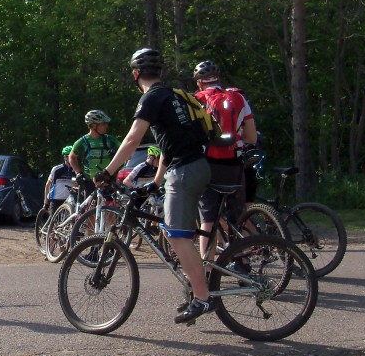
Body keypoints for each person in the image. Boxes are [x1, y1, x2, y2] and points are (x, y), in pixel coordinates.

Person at [92, 49, 214, 325]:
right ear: (161, 72)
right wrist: (156, 182)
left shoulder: (151, 98)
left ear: (136, 74)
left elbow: (134, 138)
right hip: (194, 167)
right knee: (179, 231)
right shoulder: (173, 96)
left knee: (176, 236)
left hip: (185, 172)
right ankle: (196, 286)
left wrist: (108, 172)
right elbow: (169, 145)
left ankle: (203, 297)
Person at [192, 60, 258, 257]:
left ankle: (208, 270)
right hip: (234, 165)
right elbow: (252, 137)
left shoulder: (196, 100)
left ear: (199, 82)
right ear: (218, 79)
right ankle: (244, 266)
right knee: (238, 217)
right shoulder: (238, 97)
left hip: (207, 165)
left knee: (208, 220)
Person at [69, 110, 120, 194]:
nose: (106, 126)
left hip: (108, 180)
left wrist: (116, 153)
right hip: (89, 182)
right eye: (103, 124)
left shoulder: (111, 140)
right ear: (93, 125)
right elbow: (72, 157)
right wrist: (78, 173)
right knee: (89, 206)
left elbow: (127, 155)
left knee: (111, 205)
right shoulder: (82, 142)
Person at [43, 145, 77, 214]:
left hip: (69, 200)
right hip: (56, 198)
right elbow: (48, 185)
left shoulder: (76, 169)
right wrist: (46, 203)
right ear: (64, 157)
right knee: (54, 222)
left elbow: (77, 184)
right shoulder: (56, 169)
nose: (68, 158)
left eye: (71, 156)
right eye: (66, 156)